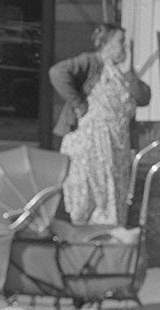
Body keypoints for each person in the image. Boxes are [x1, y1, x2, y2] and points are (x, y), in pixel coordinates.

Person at [57, 24, 150, 226]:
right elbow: (58, 72)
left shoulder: (123, 73)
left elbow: (144, 97)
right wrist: (79, 104)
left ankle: (107, 241)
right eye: (120, 42)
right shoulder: (92, 62)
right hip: (90, 147)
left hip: (116, 149)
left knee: (113, 203)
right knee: (88, 203)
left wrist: (129, 72)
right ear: (106, 44)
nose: (125, 47)